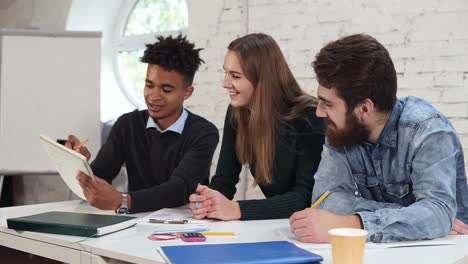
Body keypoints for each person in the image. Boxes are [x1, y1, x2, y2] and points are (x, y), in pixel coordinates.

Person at [289, 34, 468, 243]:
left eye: (327, 103)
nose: (319, 112)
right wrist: (414, 216)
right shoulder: (342, 129)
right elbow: (325, 201)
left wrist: (352, 223)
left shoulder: (428, 131)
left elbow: (437, 215)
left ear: (364, 108)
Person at [66, 35, 219, 213]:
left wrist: (122, 201)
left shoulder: (204, 133)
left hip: (185, 224)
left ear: (187, 92)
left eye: (166, 89)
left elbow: (179, 188)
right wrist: (80, 164)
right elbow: (100, 178)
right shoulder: (127, 125)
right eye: (149, 85)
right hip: (134, 224)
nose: (154, 96)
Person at [189, 33, 326, 220]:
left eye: (235, 76)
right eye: (226, 73)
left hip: (312, 228)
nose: (225, 83)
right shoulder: (237, 113)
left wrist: (237, 209)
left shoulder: (311, 117)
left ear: (263, 79)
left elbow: (304, 198)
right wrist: (209, 201)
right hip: (276, 227)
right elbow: (224, 180)